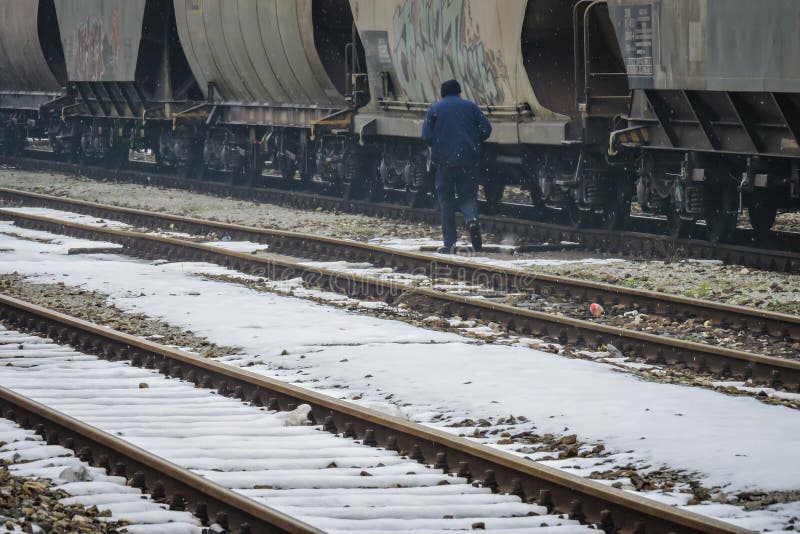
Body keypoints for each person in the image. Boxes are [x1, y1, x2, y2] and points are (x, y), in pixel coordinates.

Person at [421, 79, 492, 253]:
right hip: (467, 160)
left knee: (446, 202)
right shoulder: (470, 107)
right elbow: (486, 129)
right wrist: (473, 140)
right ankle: (472, 220)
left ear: (442, 93)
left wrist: (439, 144)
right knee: (468, 196)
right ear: (459, 92)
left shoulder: (435, 109)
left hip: (444, 162)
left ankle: (450, 244)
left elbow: (426, 136)